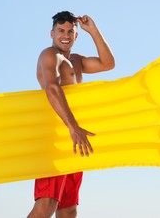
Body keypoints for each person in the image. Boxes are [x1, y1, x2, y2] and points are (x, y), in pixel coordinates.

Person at [27, 11, 115, 218]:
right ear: (52, 33)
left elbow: (108, 64)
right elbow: (52, 89)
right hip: (56, 138)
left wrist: (93, 30)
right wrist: (73, 128)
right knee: (46, 204)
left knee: (68, 209)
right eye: (60, 31)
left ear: (76, 36)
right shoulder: (49, 55)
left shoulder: (77, 61)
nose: (65, 35)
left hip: (75, 141)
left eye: (70, 32)